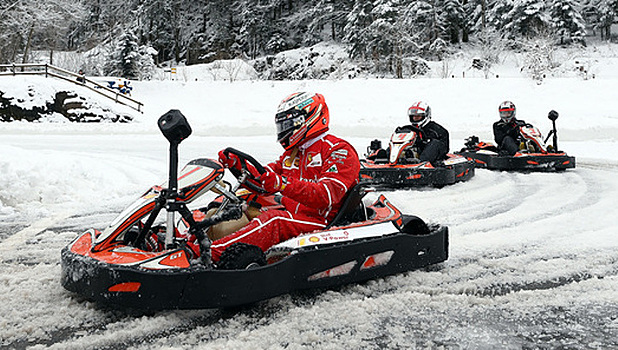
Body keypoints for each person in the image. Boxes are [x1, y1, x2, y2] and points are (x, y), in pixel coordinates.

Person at [212, 92, 360, 263]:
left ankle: (210, 254)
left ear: (308, 119)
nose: (284, 130)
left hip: (321, 221)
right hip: (291, 212)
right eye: (282, 125)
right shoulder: (293, 153)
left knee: (274, 220)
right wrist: (237, 164)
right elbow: (264, 176)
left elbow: (326, 196)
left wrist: (282, 183)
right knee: (239, 198)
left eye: (288, 124)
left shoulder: (338, 150)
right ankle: (193, 237)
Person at [368, 101, 449, 165]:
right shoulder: (410, 129)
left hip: (427, 155)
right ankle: (385, 156)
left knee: (434, 143)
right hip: (411, 154)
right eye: (413, 116)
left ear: (425, 115)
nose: (415, 118)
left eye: (418, 116)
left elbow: (444, 146)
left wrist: (425, 142)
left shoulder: (437, 130)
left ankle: (420, 162)